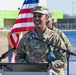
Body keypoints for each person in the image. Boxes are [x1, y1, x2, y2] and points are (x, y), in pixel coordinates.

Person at [15, 6, 67, 75]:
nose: (36, 18)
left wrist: (50, 65)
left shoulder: (54, 37)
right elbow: (19, 56)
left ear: (46, 18)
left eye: (39, 16)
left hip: (49, 72)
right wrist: (28, 66)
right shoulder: (26, 37)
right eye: (35, 16)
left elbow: (63, 58)